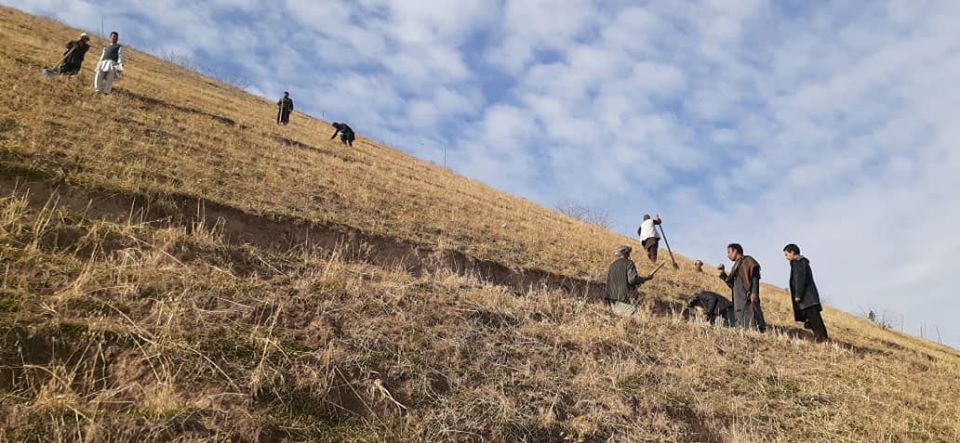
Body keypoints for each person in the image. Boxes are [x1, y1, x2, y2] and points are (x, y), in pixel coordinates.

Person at [717, 243, 767, 332]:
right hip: (738, 298)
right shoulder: (735, 265)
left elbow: (755, 275)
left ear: (735, 251)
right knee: (741, 319)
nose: (727, 255)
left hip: (747, 296)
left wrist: (754, 292)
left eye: (729, 252)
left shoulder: (748, 260)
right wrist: (723, 273)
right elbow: (731, 284)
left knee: (751, 315)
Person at [784, 244, 829, 341]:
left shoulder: (798, 263)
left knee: (814, 319)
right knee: (813, 318)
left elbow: (800, 279)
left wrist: (798, 294)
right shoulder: (801, 262)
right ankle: (821, 337)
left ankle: (822, 338)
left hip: (807, 298)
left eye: (786, 254)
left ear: (792, 252)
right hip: (809, 297)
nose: (786, 257)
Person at [604, 245, 663, 316]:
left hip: (610, 302)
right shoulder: (629, 263)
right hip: (622, 301)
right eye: (628, 253)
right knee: (640, 316)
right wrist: (646, 278)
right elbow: (632, 280)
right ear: (626, 254)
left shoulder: (612, 265)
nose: (629, 255)